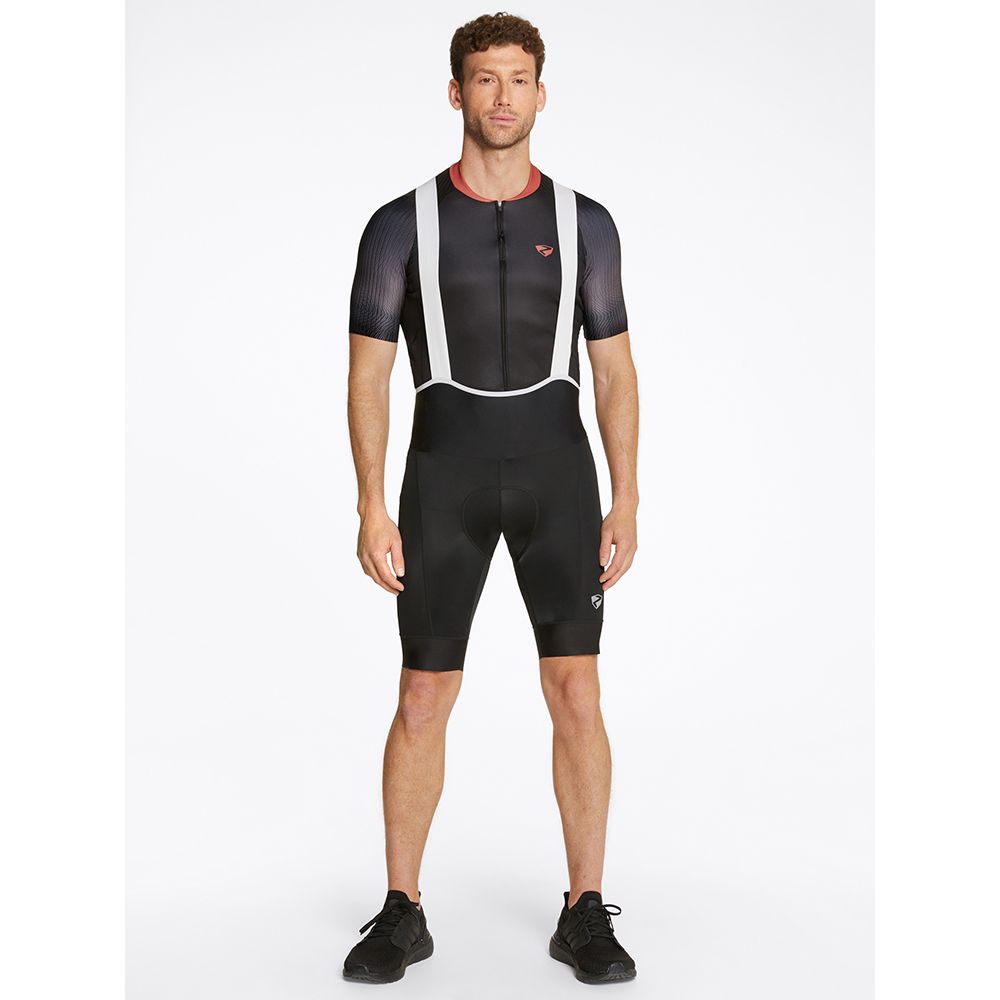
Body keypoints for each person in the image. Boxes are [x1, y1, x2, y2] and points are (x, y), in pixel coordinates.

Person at [343, 12, 640, 985]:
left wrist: (626, 496)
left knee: (576, 690)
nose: (502, 96)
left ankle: (584, 908)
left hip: (558, 474)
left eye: (518, 79)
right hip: (445, 476)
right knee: (423, 693)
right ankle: (402, 908)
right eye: (484, 78)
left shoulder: (586, 223)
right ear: (455, 92)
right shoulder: (400, 225)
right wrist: (370, 504)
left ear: (541, 94)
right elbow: (367, 374)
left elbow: (614, 370)